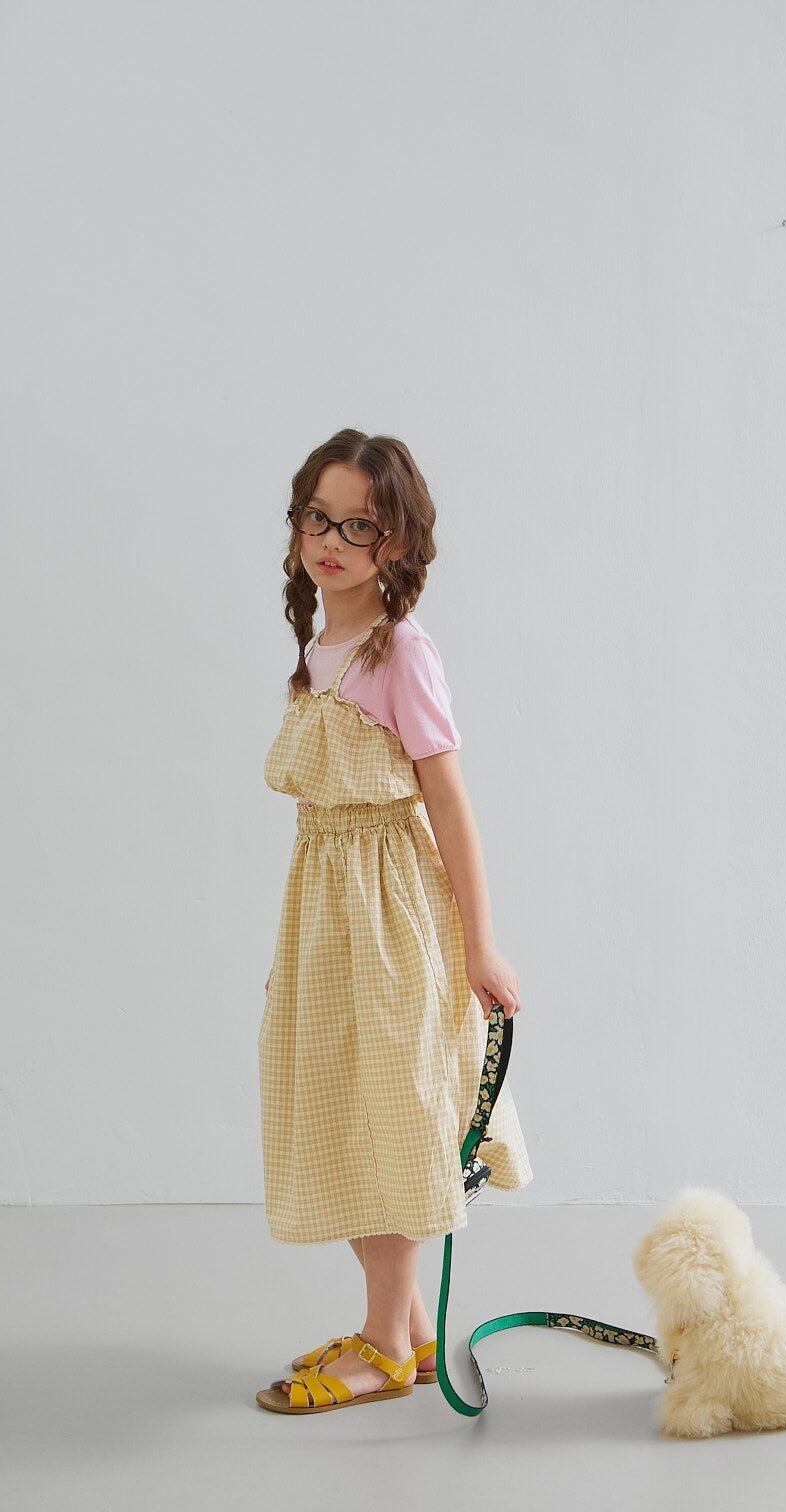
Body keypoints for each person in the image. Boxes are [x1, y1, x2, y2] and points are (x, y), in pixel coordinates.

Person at [255, 428, 532, 1415]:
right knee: (341, 1110)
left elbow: (448, 803)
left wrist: (479, 945)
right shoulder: (320, 647)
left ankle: (383, 1344)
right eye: (317, 518)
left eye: (358, 527)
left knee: (392, 1117)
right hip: (329, 916)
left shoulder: (401, 652)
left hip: (392, 917)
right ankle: (406, 1331)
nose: (331, 541)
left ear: (398, 544)